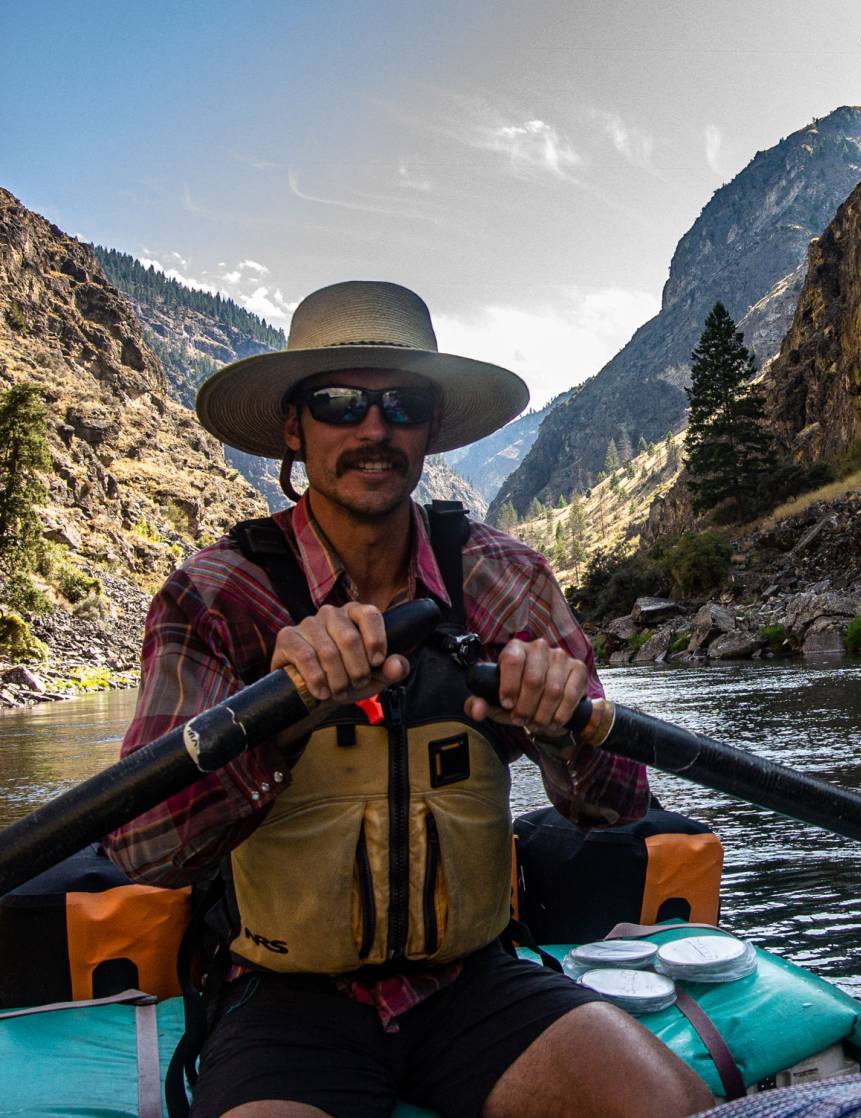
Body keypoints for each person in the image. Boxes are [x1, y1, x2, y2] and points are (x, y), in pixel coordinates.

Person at [105, 281, 714, 1118]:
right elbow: (142, 847)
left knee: (671, 1108)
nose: (372, 427)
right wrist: (281, 724)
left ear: (429, 428)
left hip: (475, 981)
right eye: (339, 402)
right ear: (294, 427)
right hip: (285, 1000)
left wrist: (564, 736)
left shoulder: (506, 579)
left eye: (402, 403)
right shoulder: (216, 595)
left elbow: (617, 806)